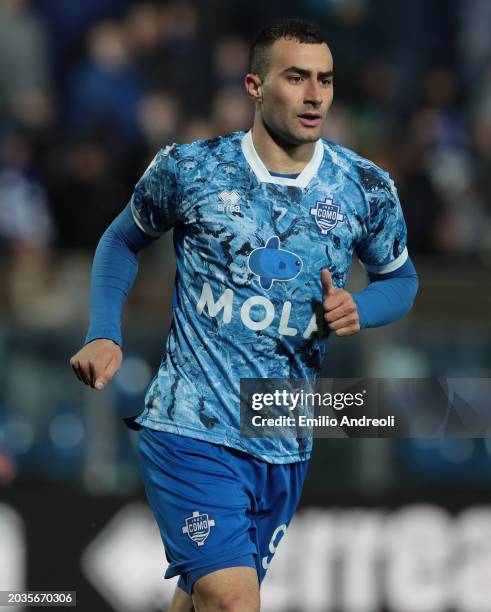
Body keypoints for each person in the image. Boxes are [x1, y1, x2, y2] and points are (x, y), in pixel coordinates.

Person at [70, 18, 418, 612]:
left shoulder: (365, 187)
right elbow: (120, 242)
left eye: (326, 80)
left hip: (282, 432)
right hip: (190, 425)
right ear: (255, 86)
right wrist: (104, 331)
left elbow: (401, 281)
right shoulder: (190, 169)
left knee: (202, 601)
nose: (315, 95)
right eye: (296, 77)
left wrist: (361, 305)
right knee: (235, 602)